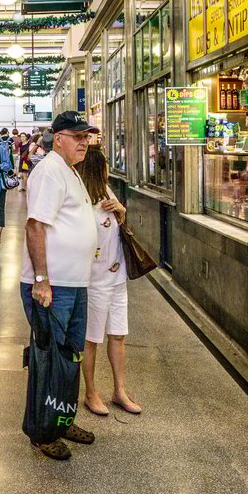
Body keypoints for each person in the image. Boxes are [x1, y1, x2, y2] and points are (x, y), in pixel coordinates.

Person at [20, 110, 101, 461]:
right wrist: (41, 280)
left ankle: (63, 418)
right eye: (78, 136)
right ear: (58, 138)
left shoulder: (70, 171)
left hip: (74, 284)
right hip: (53, 287)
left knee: (70, 357)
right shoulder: (50, 171)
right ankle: (41, 431)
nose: (85, 142)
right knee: (47, 359)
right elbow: (35, 226)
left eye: (87, 137)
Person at [74, 143, 140, 417]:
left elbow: (118, 229)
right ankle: (90, 392)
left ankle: (120, 390)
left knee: (118, 335)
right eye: (105, 165)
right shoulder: (82, 205)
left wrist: (121, 211)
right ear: (97, 169)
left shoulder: (107, 193)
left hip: (117, 277)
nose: (109, 169)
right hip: (95, 282)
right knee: (91, 340)